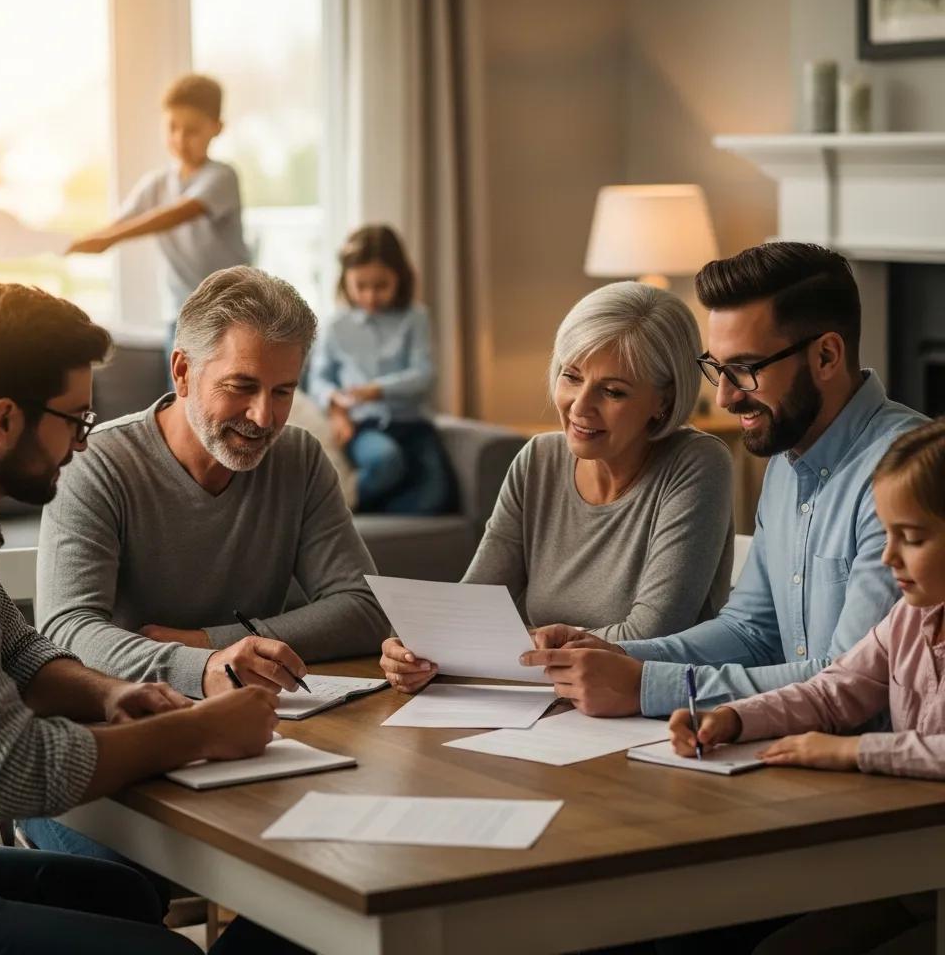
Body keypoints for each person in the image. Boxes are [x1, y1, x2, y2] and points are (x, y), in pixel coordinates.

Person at [0, 281, 289, 955]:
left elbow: (20, 653)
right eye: (75, 421)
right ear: (5, 420)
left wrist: (112, 692)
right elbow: (7, 769)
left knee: (124, 899)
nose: (83, 444)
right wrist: (197, 730)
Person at [25, 266, 388, 872]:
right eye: (241, 386)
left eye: (282, 391)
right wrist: (206, 668)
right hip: (103, 759)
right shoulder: (97, 465)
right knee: (131, 895)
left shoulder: (299, 459)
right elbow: (65, 632)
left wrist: (218, 645)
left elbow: (362, 604)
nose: (264, 417)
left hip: (252, 749)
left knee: (331, 866)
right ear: (183, 371)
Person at [516, 242, 927, 720]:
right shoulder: (788, 458)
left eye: (746, 369)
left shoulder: (906, 474)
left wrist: (648, 685)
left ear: (826, 356)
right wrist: (618, 656)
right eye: (717, 368)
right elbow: (751, 632)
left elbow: (849, 680)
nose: (727, 397)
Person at [669, 418, 945, 955]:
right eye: (886, 535)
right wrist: (736, 717)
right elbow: (833, 691)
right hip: (911, 874)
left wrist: (851, 751)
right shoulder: (909, 619)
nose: (889, 560)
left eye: (910, 538)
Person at [380, 281, 736, 693]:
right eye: (571, 376)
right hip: (544, 700)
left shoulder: (698, 462)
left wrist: (521, 646)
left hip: (649, 707)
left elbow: (650, 635)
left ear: (663, 401)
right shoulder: (538, 459)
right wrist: (414, 650)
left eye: (613, 391)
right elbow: (471, 609)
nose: (579, 406)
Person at [67, 73, 250, 360]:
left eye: (191, 131)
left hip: (231, 315)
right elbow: (116, 225)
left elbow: (179, 213)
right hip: (181, 317)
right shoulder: (157, 183)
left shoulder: (222, 177)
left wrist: (110, 239)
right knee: (181, 397)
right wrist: (68, 242)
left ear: (217, 128)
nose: (179, 138)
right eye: (172, 127)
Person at [307, 224, 455, 514]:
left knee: (438, 499)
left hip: (414, 426)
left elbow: (424, 374)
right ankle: (336, 506)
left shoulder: (415, 317)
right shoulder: (336, 325)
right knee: (385, 461)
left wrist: (378, 390)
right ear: (345, 281)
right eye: (361, 286)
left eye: (381, 286)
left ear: (400, 278)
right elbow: (318, 379)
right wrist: (336, 408)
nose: (371, 296)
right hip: (364, 427)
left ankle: (372, 511)